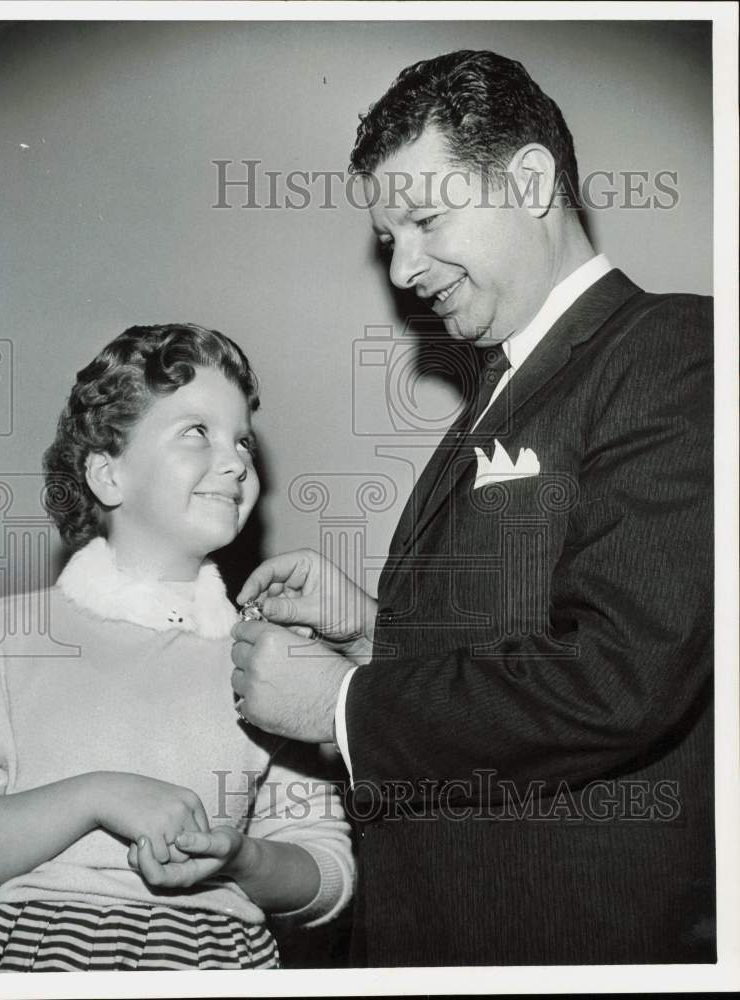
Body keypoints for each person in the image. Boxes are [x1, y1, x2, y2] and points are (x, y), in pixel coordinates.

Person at [230, 50, 714, 965]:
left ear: (530, 182)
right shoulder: (497, 387)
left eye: (424, 218)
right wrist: (374, 633)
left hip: (578, 943)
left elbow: (620, 673)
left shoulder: (674, 349)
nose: (405, 268)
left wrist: (344, 704)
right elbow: (518, 647)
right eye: (389, 240)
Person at [0, 323, 354, 972]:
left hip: (212, 961)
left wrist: (242, 858)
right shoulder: (5, 637)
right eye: (196, 432)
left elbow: (327, 873)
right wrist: (96, 795)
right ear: (109, 475)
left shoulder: (269, 660)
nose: (235, 462)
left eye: (242, 441)